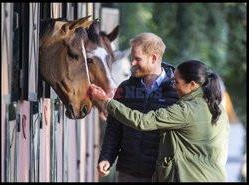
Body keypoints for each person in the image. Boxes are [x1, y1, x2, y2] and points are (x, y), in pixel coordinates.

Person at [90, 60, 230, 182]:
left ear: (192, 85)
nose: (173, 86)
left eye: (177, 82)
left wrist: (106, 100)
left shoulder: (186, 110)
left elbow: (142, 121)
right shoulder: (219, 109)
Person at [96, 32, 179, 182]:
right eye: (132, 58)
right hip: (127, 173)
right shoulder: (125, 88)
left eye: (137, 59)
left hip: (161, 175)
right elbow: (114, 128)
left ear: (154, 58)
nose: (132, 63)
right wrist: (106, 158)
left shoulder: (176, 92)